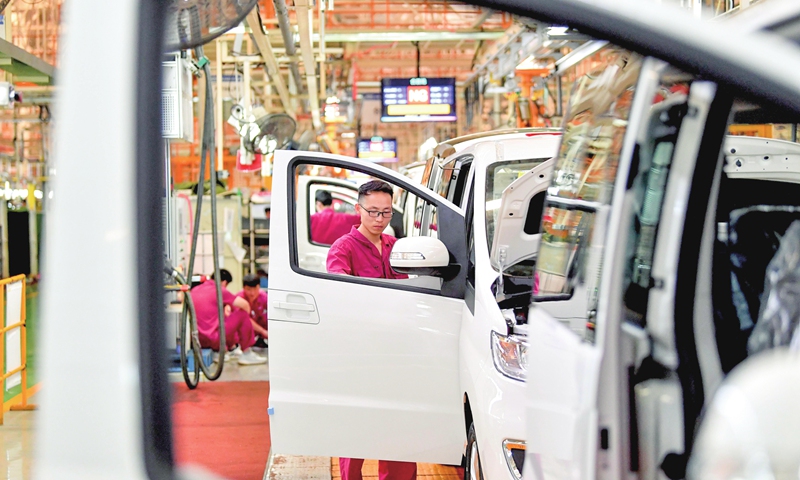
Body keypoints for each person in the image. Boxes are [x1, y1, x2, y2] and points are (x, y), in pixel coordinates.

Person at [326, 180, 414, 480]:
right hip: (360, 355)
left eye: (386, 213)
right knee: (357, 429)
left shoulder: (396, 247)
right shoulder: (343, 248)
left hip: (397, 352)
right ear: (358, 209)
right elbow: (338, 292)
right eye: (373, 211)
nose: (379, 219)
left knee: (399, 428)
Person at [190, 269, 266, 365]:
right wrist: (246, 319)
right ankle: (247, 353)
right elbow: (244, 305)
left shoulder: (195, 290)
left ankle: (225, 351)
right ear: (224, 282)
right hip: (215, 340)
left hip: (198, 340)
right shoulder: (219, 290)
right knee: (242, 315)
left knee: (223, 319)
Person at [236, 273, 268, 348]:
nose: (252, 293)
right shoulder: (239, 299)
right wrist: (263, 331)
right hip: (243, 329)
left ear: (259, 287)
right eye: (249, 289)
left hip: (258, 325)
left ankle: (260, 341)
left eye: (255, 289)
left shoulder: (263, 296)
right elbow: (245, 319)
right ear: (243, 288)